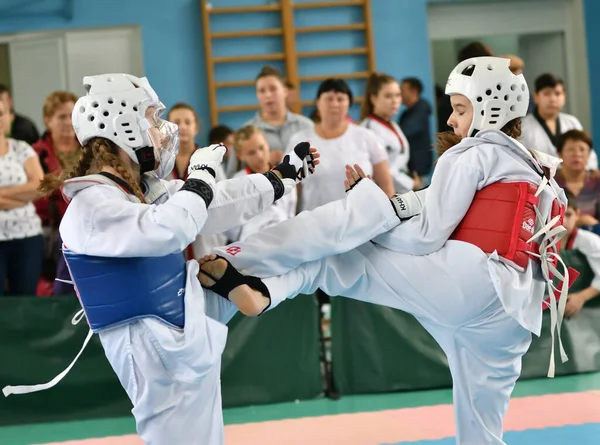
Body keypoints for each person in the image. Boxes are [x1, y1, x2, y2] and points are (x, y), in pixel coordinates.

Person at [199, 57, 575, 445]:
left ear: (489, 107)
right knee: (482, 431)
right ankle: (263, 287)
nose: (450, 120)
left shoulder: (471, 153)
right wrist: (384, 209)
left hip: (471, 283)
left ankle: (250, 273)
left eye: (460, 109)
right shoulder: (537, 168)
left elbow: (426, 236)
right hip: (514, 317)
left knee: (336, 255)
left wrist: (371, 216)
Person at [2, 73, 321, 445]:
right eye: (152, 119)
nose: (161, 129)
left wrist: (279, 178)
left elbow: (213, 204)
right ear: (121, 123)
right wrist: (199, 174)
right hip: (146, 345)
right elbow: (171, 229)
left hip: (174, 328)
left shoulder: (135, 191)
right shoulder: (92, 204)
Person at [224, 125, 297, 242]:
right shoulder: (235, 183)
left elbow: (290, 213)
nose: (259, 155)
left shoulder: (287, 176)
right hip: (250, 245)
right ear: (240, 156)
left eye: (261, 148)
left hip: (283, 241)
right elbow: (231, 226)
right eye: (251, 153)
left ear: (268, 145)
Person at [521, 73, 597, 170]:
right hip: (538, 182)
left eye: (557, 94)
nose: (553, 99)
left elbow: (588, 153)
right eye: (547, 94)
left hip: (573, 180)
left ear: (564, 96)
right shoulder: (523, 126)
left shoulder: (572, 122)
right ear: (536, 97)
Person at [360, 72, 418, 193]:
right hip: (385, 193)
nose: (395, 101)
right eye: (388, 96)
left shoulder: (393, 124)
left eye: (398, 95)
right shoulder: (368, 129)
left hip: (402, 191)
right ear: (374, 98)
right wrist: (411, 183)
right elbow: (383, 169)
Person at [244, 66, 313, 165]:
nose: (268, 95)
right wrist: (264, 162)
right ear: (257, 95)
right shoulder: (247, 131)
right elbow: (234, 176)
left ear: (285, 91)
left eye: (273, 89)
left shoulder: (306, 126)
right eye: (262, 91)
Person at [558, 189, 600, 317]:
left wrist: (581, 297)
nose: (563, 221)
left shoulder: (590, 241)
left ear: (577, 214)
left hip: (588, 309)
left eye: (568, 215)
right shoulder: (539, 241)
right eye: (557, 215)